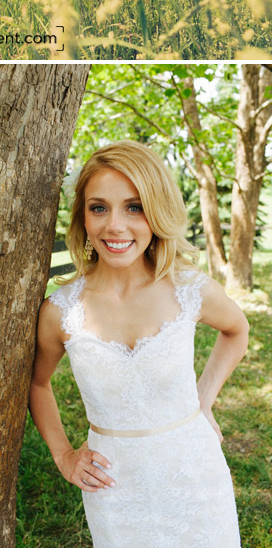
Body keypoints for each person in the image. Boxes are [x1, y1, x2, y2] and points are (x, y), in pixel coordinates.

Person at [30, 140, 248, 548]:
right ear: (83, 216)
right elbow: (37, 384)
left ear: (157, 211)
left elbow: (237, 329)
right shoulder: (60, 311)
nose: (114, 226)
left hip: (196, 478)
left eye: (134, 207)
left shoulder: (189, 290)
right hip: (115, 488)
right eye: (99, 207)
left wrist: (203, 401)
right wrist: (63, 454)